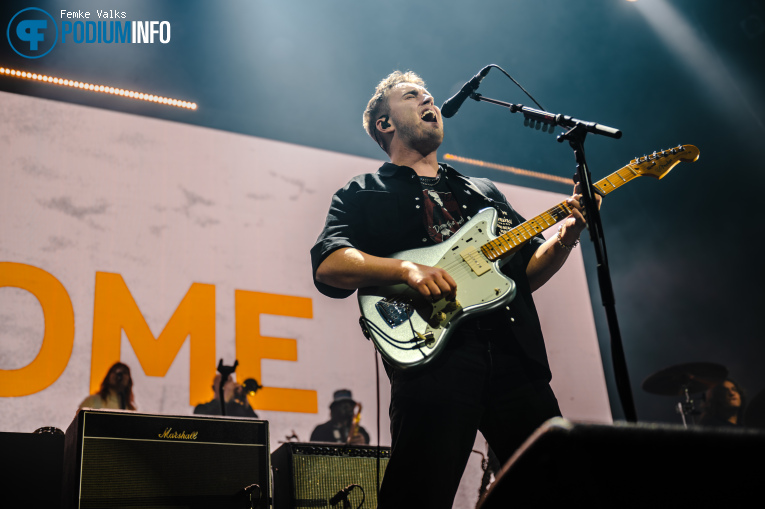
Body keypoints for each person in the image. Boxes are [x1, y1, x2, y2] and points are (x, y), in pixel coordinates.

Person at [310, 71, 600, 508]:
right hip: (434, 360)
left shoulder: (482, 192)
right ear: (386, 124)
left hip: (515, 359)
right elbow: (331, 263)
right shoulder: (361, 192)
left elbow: (526, 274)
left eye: (428, 94)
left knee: (560, 488)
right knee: (418, 495)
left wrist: (569, 233)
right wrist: (407, 270)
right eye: (413, 96)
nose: (429, 100)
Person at [193, 373, 258, 418]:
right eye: (223, 383)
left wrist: (246, 404)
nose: (226, 386)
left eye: (229, 381)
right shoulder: (202, 408)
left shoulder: (238, 408)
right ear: (213, 388)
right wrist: (224, 399)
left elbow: (256, 427)